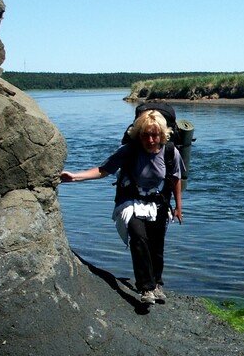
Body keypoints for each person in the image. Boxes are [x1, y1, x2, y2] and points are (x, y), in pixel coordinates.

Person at [60, 109, 183, 304]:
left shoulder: (170, 152)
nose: (150, 140)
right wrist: (75, 176)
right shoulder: (129, 151)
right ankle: (146, 288)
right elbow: (103, 170)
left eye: (154, 135)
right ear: (138, 135)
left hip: (157, 201)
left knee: (156, 245)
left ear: (162, 134)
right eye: (145, 135)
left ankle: (157, 283)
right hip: (130, 201)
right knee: (138, 236)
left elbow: (176, 178)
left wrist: (178, 206)